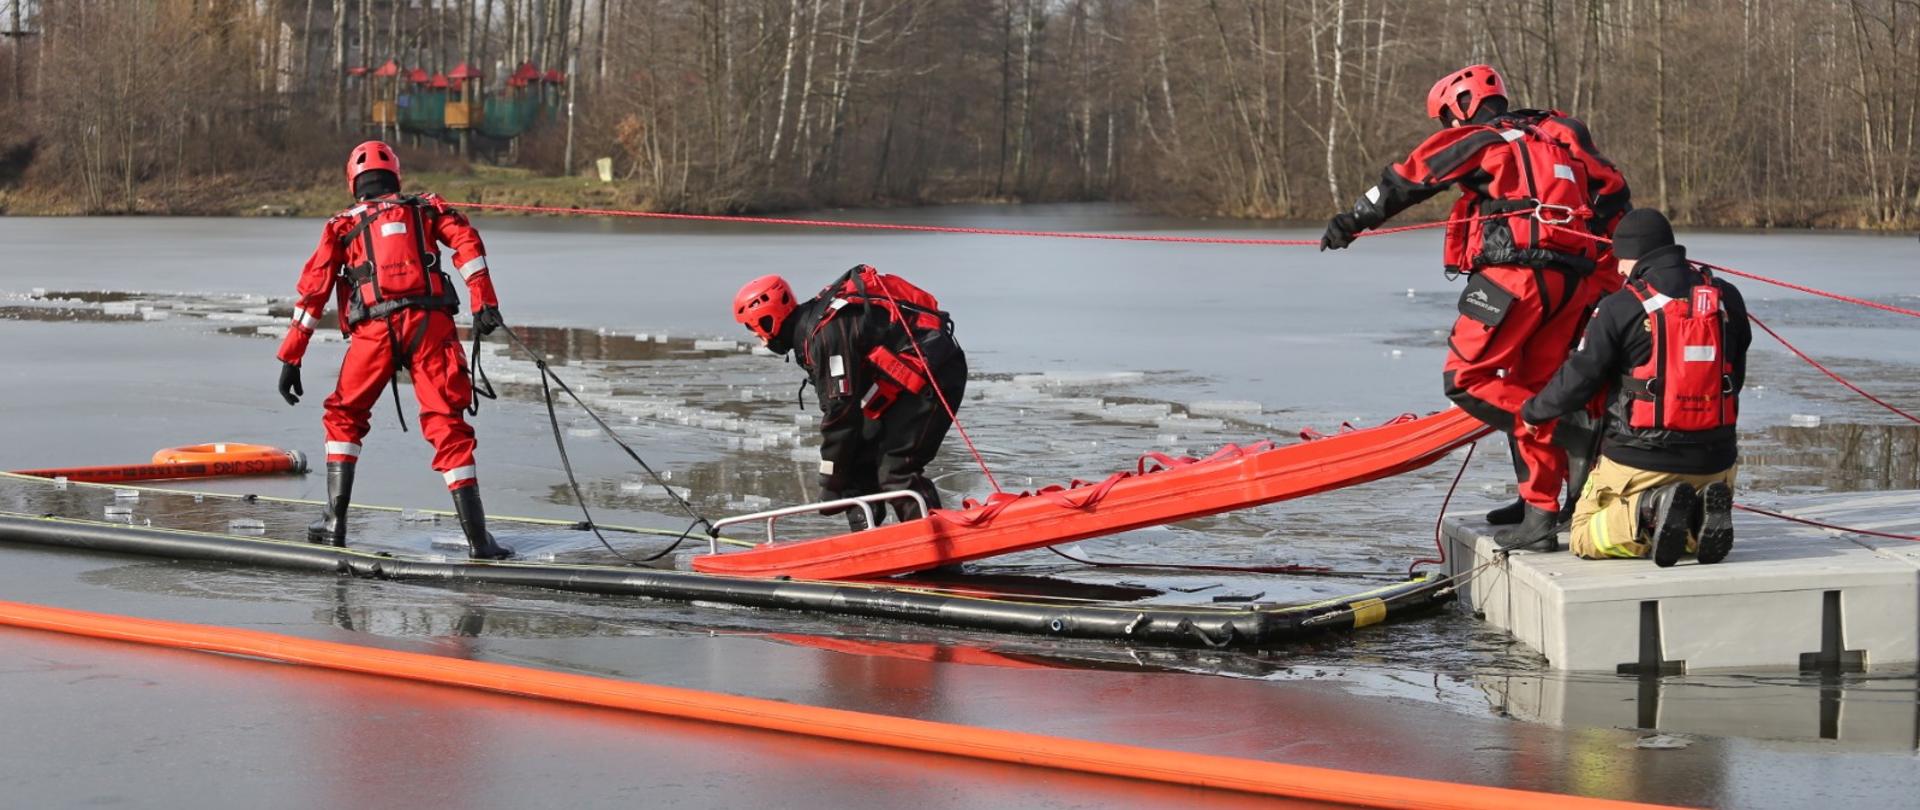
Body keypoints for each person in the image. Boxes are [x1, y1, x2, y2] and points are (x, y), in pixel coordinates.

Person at [1320, 63, 1632, 548]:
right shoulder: (1560, 135)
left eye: (1447, 118)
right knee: (1530, 386)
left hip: (1514, 279)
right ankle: (1539, 509)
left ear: (1460, 108)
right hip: (1573, 283)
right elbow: (1614, 193)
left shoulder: (1482, 139)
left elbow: (1409, 178)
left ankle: (1555, 436)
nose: (1448, 126)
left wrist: (1351, 221)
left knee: (1466, 380)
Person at [274, 140, 512, 559]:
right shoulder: (427, 208)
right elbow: (467, 245)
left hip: (374, 332)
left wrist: (292, 357)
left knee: (344, 416)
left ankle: (334, 522)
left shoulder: (341, 225)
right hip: (430, 327)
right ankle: (479, 540)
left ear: (354, 182)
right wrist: (484, 302)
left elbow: (314, 292)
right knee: (447, 424)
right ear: (395, 177)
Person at [1517, 209, 1748, 565]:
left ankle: (1649, 509)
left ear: (1633, 254)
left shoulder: (1620, 305)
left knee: (1584, 534)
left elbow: (1580, 378)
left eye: (1621, 259)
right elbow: (1737, 378)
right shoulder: (1727, 297)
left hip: (1640, 462)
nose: (1620, 270)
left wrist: (1534, 411)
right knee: (1679, 538)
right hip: (1716, 462)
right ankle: (1697, 514)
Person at [732, 265, 967, 531]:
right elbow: (845, 413)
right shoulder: (813, 330)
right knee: (855, 461)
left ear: (768, 320)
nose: (758, 338)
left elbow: (841, 413)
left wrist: (829, 482)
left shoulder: (825, 335)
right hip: (900, 384)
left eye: (753, 328)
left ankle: (934, 541)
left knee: (896, 468)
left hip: (935, 374)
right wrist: (838, 479)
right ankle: (867, 538)